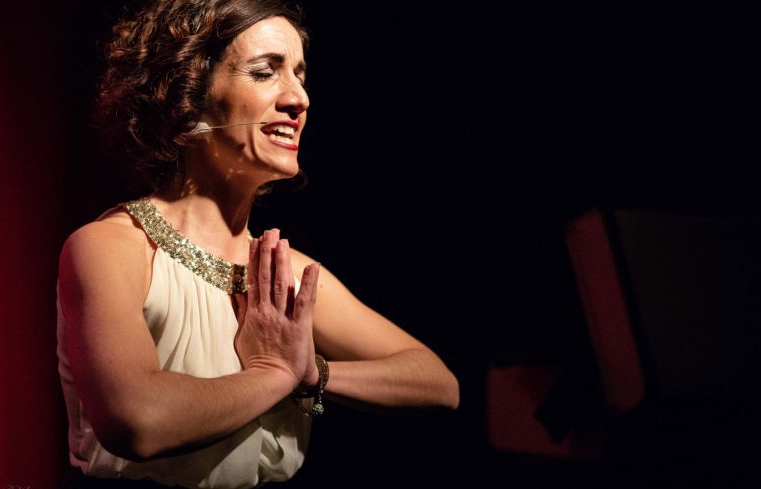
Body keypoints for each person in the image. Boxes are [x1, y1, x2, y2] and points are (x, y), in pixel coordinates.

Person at [56, 0, 460, 487]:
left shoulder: (284, 273)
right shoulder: (111, 248)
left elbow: (438, 382)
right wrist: (273, 374)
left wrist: (313, 374)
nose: (299, 99)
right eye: (266, 72)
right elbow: (138, 421)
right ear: (189, 98)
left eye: (300, 74)